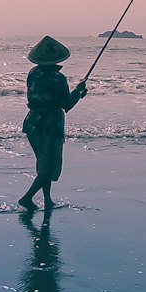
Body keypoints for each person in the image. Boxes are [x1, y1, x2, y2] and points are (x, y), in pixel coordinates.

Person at [18, 36, 87, 212]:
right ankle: (27, 198)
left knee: (43, 164)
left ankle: (48, 200)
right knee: (47, 167)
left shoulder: (33, 73)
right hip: (50, 125)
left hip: (33, 122)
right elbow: (67, 104)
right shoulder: (58, 78)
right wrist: (78, 92)